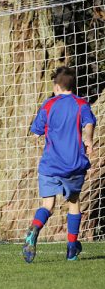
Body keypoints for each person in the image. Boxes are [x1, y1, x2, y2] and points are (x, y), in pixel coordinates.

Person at [24, 66, 96, 262]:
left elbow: (36, 131)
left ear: (56, 86)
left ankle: (34, 229)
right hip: (73, 165)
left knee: (47, 205)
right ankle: (72, 248)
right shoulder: (81, 104)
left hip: (50, 165)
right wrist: (88, 140)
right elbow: (88, 124)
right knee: (74, 201)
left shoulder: (48, 105)